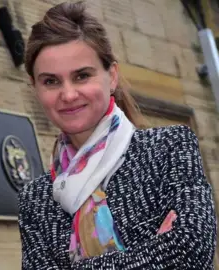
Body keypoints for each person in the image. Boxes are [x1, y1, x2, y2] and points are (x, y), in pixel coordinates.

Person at [18, 1, 217, 269]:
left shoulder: (169, 148)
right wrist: (154, 253)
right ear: (35, 88)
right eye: (51, 81)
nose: (68, 95)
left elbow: (190, 250)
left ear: (111, 76)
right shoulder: (36, 199)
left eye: (81, 76)